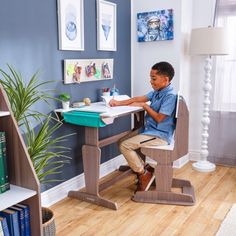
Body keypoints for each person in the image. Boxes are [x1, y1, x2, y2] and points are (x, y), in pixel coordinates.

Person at [109, 61, 177, 191]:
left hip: (160, 135)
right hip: (151, 131)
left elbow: (159, 118)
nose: (151, 81)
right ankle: (146, 168)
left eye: (154, 78)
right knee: (121, 141)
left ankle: (143, 174)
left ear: (165, 79)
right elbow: (137, 99)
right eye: (150, 78)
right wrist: (118, 103)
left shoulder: (170, 96)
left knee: (125, 145)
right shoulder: (157, 91)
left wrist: (145, 106)